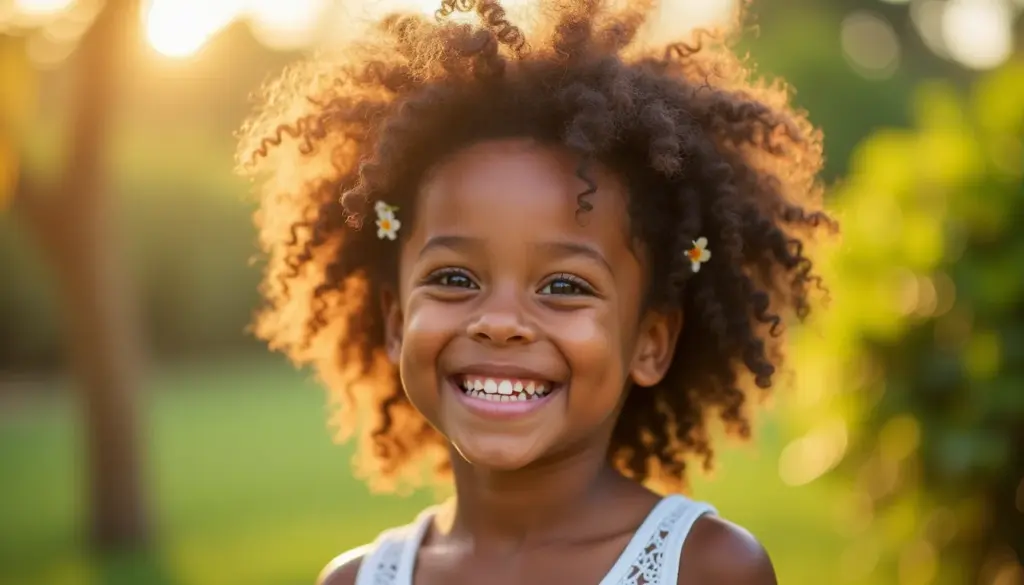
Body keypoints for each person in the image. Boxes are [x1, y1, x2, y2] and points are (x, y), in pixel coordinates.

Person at [237, 1, 836, 583]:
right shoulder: (358, 578)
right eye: (454, 279)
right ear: (396, 323)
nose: (500, 322)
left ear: (650, 342)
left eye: (564, 286)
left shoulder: (706, 568)